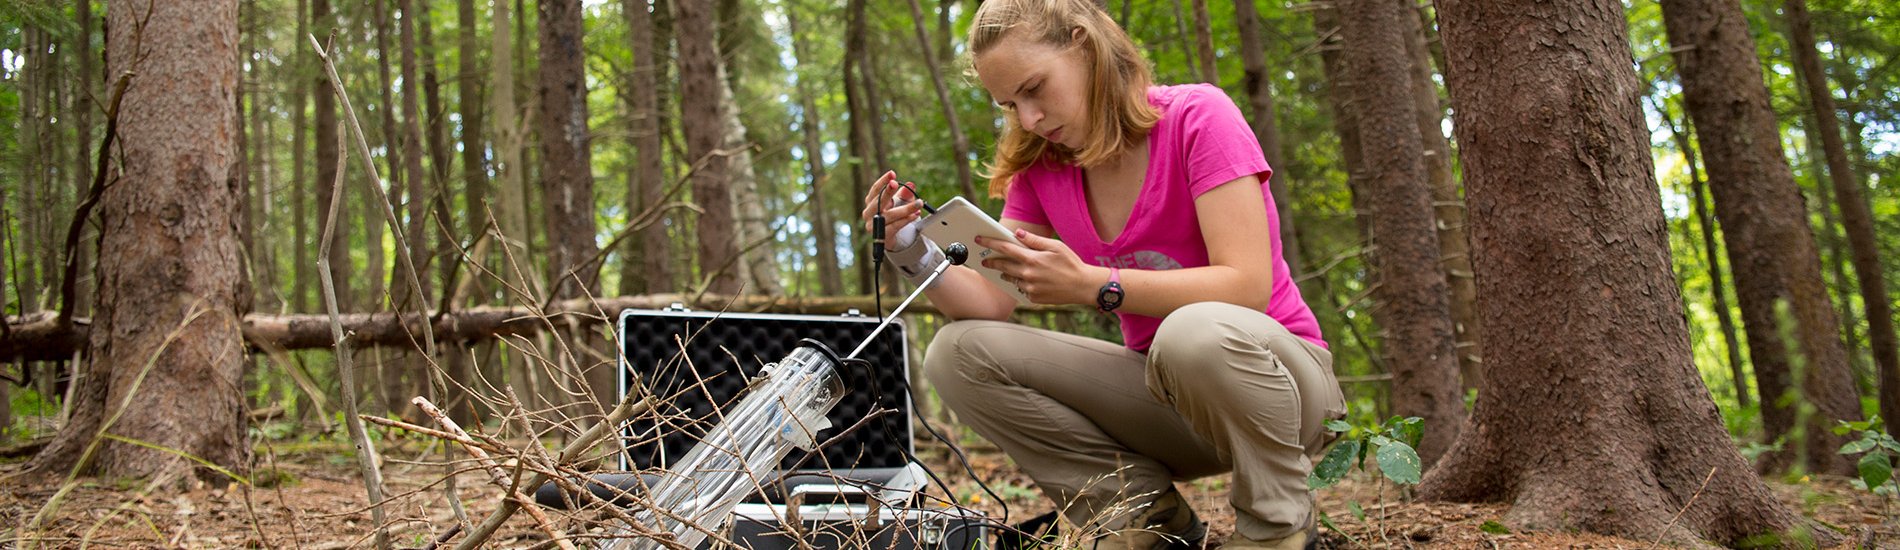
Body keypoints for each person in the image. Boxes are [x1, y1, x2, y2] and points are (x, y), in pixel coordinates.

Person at [859, 0, 1345, 548]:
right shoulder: (1042, 167)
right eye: (1010, 104)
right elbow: (992, 302)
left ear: (1082, 44)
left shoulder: (1197, 117)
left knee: (1192, 331)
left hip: (1282, 389)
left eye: (1035, 88)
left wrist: (1095, 284)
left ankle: (1277, 526)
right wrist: (910, 250)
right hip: (1168, 400)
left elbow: (1247, 285)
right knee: (956, 352)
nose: (1029, 119)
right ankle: (1140, 516)